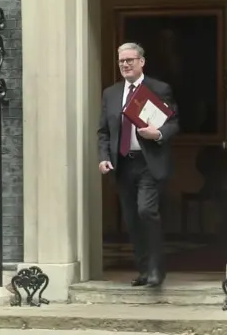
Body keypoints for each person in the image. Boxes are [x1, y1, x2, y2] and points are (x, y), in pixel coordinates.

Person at [97, 42, 179, 287]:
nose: (125, 64)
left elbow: (174, 124)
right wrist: (103, 157)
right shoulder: (110, 94)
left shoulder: (159, 89)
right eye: (121, 61)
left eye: (130, 60)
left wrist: (159, 134)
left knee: (146, 211)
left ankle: (156, 270)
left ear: (141, 62)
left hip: (148, 163)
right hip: (123, 164)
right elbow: (103, 131)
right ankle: (144, 271)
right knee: (132, 219)